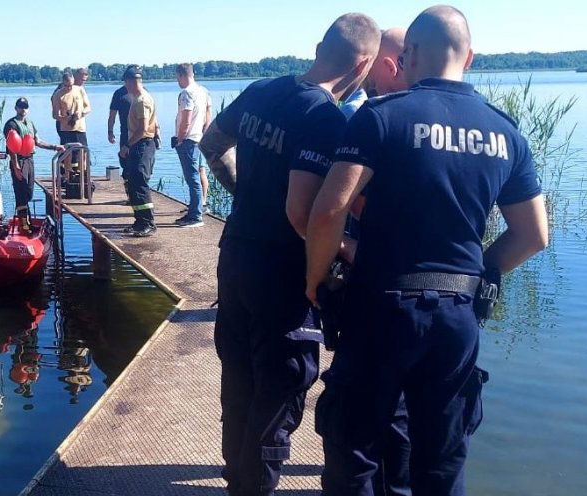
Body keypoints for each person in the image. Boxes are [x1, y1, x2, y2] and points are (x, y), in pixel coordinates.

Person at [305, 6, 549, 495]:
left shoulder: (381, 117)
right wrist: (476, 272)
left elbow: (329, 213)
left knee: (354, 450)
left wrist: (316, 279)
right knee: (441, 460)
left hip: (379, 310)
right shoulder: (504, 132)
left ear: (410, 55)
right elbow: (534, 235)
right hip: (457, 321)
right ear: (471, 57)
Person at [199, 13, 381, 496]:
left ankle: (237, 479)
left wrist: (242, 196)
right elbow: (302, 215)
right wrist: (348, 250)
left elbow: (211, 144)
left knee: (238, 376)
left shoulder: (262, 90)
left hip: (235, 255)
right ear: (364, 64)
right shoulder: (323, 117)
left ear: (320, 47)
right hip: (281, 273)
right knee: (279, 390)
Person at [337, 26, 413, 496]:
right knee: (397, 406)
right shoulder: (364, 116)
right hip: (400, 284)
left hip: (376, 278)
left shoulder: (371, 116)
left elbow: (335, 205)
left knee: (368, 401)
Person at [4, 97, 64, 233]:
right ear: (16, 108)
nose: (23, 109)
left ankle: (28, 222)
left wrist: (54, 147)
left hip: (30, 160)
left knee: (29, 192)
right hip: (19, 161)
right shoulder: (11, 125)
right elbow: (12, 147)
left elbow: (37, 141)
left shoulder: (30, 123)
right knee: (21, 193)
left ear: (28, 109)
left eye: (25, 107)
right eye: (20, 106)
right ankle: (24, 225)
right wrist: (16, 166)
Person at [120, 65, 161, 237]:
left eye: (126, 82)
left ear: (130, 82)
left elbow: (143, 128)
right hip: (141, 144)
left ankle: (147, 223)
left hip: (142, 144)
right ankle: (139, 221)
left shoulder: (142, 100)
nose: (126, 86)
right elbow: (155, 123)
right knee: (133, 181)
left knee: (139, 181)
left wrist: (127, 145)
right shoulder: (140, 97)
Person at [173, 63, 212, 228]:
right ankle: (195, 209)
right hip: (198, 138)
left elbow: (186, 119)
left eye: (177, 77)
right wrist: (205, 131)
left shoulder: (187, 93)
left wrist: (180, 139)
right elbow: (208, 113)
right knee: (196, 175)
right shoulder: (202, 91)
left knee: (192, 178)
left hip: (188, 140)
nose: (177, 81)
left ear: (182, 75)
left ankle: (195, 216)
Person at [51, 71, 90, 175]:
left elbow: (88, 107)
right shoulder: (58, 95)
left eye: (71, 85)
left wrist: (80, 113)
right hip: (66, 129)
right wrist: (64, 118)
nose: (69, 88)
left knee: (83, 152)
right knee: (67, 153)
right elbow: (55, 115)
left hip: (80, 128)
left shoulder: (80, 90)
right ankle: (68, 176)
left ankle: (83, 175)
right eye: (67, 86)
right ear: (63, 83)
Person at [108, 66, 137, 168]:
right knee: (125, 161)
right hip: (125, 133)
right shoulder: (119, 94)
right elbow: (112, 115)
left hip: (141, 133)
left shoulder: (143, 93)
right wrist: (110, 132)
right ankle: (127, 180)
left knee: (139, 165)